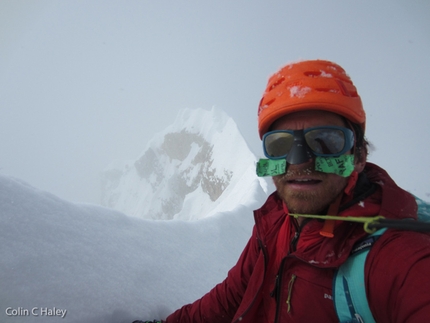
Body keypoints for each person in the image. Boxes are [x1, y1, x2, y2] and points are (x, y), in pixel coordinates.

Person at [134, 60, 430, 322]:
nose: (298, 161)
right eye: (280, 145)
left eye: (326, 141)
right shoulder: (276, 220)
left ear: (359, 155)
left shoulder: (397, 260)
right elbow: (230, 298)